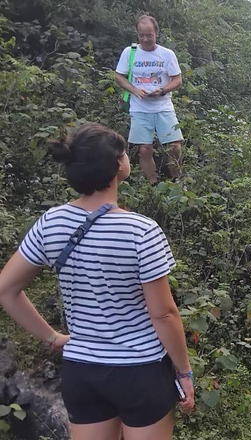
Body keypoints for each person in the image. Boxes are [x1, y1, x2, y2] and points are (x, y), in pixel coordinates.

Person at [0, 123, 194, 439]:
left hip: (83, 370)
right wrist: (184, 372)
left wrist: (52, 338)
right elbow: (163, 314)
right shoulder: (141, 231)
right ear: (119, 165)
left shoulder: (51, 223)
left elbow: (6, 289)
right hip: (140, 371)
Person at [115, 14, 183, 184]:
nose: (145, 39)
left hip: (163, 106)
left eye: (149, 35)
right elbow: (119, 76)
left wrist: (162, 90)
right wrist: (134, 90)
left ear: (156, 34)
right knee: (145, 149)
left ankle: (177, 180)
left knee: (174, 147)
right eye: (141, 35)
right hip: (140, 108)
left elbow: (177, 79)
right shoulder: (129, 52)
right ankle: (153, 185)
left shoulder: (167, 54)